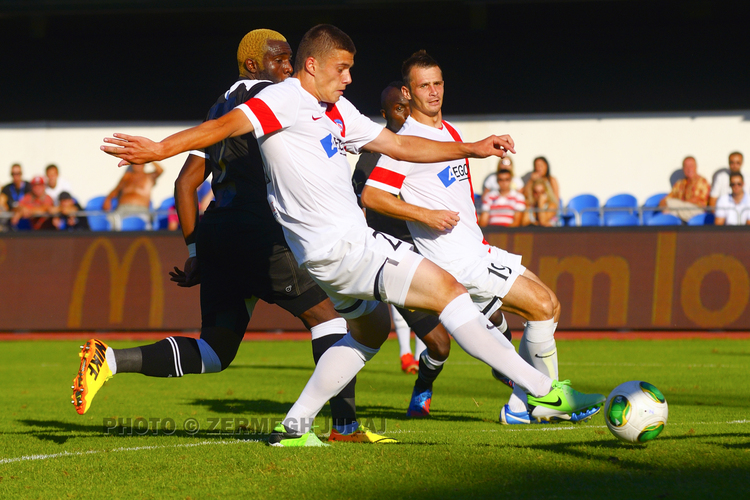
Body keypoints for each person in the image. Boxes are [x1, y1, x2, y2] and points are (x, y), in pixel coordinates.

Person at [100, 24, 604, 446]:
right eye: (341, 68)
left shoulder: (336, 111)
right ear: (312, 65)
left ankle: (296, 426)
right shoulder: (284, 99)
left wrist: (473, 147)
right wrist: (157, 148)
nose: (348, 77)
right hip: (344, 247)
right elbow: (222, 128)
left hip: (328, 255)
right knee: (448, 292)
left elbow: (399, 146)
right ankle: (542, 390)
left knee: (369, 331)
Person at [73, 29, 394, 444]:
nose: (288, 68)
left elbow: (185, 184)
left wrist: (194, 250)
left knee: (215, 352)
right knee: (330, 320)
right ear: (252, 64)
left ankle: (110, 360)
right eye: (280, 60)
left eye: (290, 59)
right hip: (261, 234)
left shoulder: (218, 106)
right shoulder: (277, 101)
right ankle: (343, 428)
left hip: (218, 234)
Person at [362, 49, 598, 426]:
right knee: (539, 305)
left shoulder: (449, 131)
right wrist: (426, 215)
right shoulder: (406, 142)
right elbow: (372, 195)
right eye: (424, 85)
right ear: (407, 92)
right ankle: (546, 399)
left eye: (438, 83)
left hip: (476, 248)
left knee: (550, 306)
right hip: (455, 260)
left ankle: (521, 406)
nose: (434, 92)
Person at [352, 81, 456, 417]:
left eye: (407, 107)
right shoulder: (370, 161)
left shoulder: (428, 146)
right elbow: (358, 208)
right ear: (384, 115)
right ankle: (422, 388)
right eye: (397, 108)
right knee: (440, 345)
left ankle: (517, 380)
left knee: (492, 314)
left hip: (441, 251)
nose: (405, 113)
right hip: (400, 260)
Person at [103, 161, 163, 229]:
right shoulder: (127, 176)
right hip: (123, 208)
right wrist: (108, 199)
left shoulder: (149, 177)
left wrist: (149, 159)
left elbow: (160, 170)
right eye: (135, 163)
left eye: (140, 164)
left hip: (141, 209)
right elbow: (116, 190)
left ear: (144, 165)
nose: (137, 166)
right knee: (111, 220)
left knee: (145, 224)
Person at [659, 156, 710, 222]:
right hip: (682, 211)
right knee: (671, 211)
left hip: (697, 212)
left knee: (671, 205)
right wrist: (664, 206)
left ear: (696, 167)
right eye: (686, 166)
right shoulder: (679, 183)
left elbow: (698, 200)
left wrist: (678, 204)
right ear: (683, 168)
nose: (689, 169)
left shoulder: (702, 181)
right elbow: (665, 199)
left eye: (691, 166)